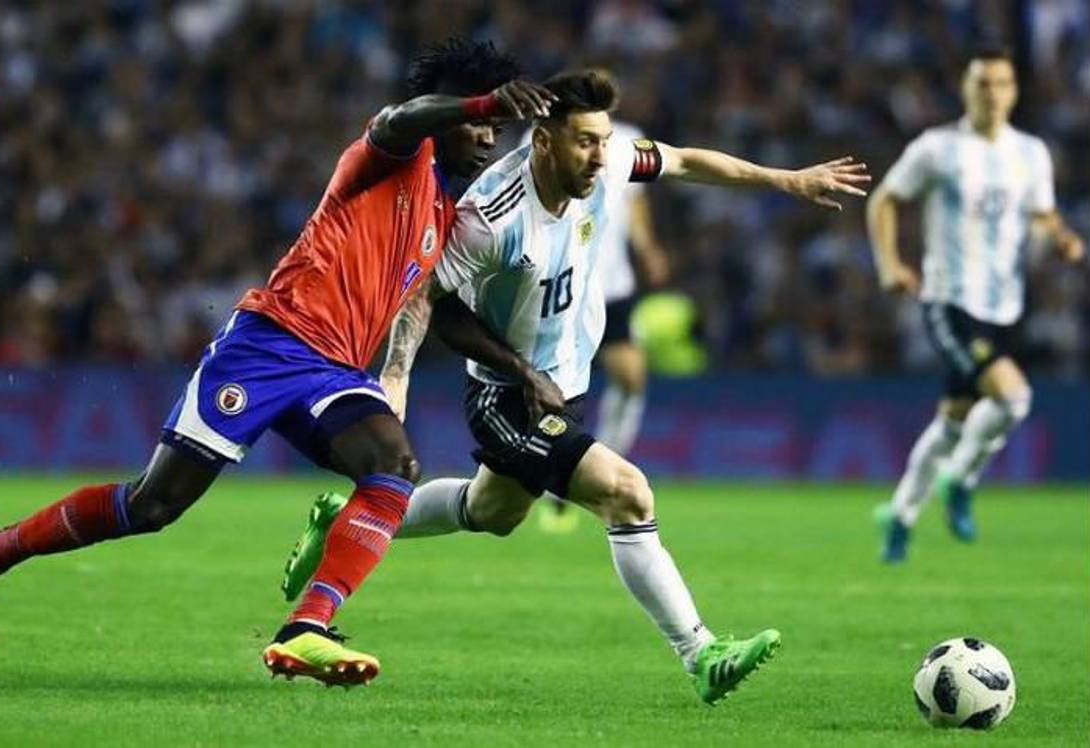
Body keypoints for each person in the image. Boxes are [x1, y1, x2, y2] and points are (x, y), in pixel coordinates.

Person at [0, 38, 556, 688]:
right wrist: (478, 102)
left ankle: (306, 626)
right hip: (266, 346)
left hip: (335, 371)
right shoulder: (390, 156)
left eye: (495, 127)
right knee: (153, 506)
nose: (487, 138)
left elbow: (438, 310)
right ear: (448, 112)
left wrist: (517, 369)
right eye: (478, 122)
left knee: (394, 467)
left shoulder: (442, 213)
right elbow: (400, 117)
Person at [283, 69, 870, 703]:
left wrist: (786, 180)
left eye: (604, 140)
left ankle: (350, 521)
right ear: (543, 140)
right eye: (585, 142)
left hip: (564, 383)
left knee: (493, 511)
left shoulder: (608, 164)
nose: (599, 155)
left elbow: (684, 160)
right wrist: (408, 375)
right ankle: (701, 653)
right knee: (627, 494)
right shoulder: (490, 215)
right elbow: (429, 297)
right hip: (507, 395)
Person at [867, 45, 1086, 563]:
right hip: (950, 300)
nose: (991, 93)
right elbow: (885, 199)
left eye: (1001, 83)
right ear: (965, 89)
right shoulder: (938, 148)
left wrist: (1060, 236)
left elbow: (1041, 213)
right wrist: (889, 264)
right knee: (1012, 398)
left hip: (1005, 305)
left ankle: (899, 514)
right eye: (981, 83)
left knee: (953, 421)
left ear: (1014, 91)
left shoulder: (1031, 153)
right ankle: (960, 480)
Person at [519, 120, 671, 533]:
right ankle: (552, 472)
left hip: (612, 285)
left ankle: (602, 464)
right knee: (554, 392)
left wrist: (647, 248)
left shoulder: (626, 139)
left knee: (631, 378)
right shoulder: (542, 135)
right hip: (564, 287)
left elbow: (635, 203)